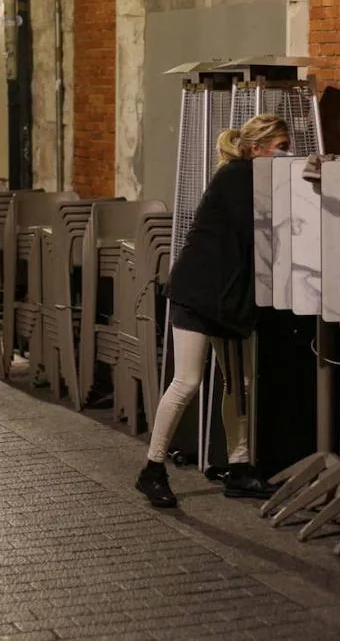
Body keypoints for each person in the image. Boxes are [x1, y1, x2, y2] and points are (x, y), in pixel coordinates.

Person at [136, 114, 291, 508]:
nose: (287, 156)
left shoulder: (255, 179)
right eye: (281, 149)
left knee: (238, 384)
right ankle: (151, 469)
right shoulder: (238, 178)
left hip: (228, 296)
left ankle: (239, 466)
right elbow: (261, 232)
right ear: (257, 150)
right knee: (187, 381)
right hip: (199, 291)